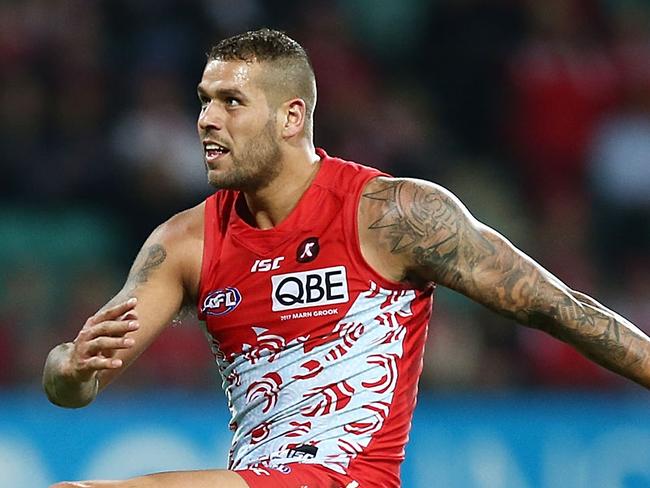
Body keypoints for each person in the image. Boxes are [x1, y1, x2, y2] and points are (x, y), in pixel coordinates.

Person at [43, 28, 650, 488]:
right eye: (203, 101)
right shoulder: (183, 243)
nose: (206, 120)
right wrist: (71, 368)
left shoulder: (393, 215)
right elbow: (73, 384)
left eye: (231, 102)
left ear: (291, 116)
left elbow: (558, 308)